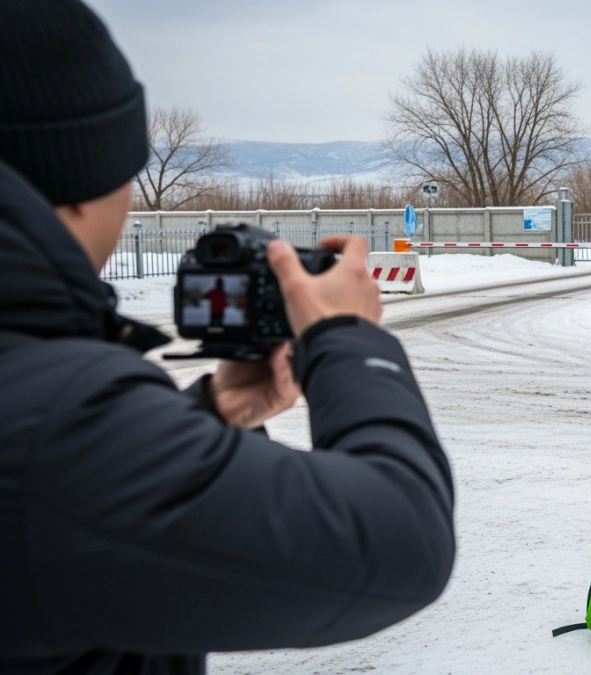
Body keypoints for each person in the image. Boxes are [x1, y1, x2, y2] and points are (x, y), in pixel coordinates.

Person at [0, 3, 455, 673]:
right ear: (79, 181)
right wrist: (348, 338)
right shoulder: (46, 428)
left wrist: (204, 420)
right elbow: (403, 539)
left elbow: (81, 528)